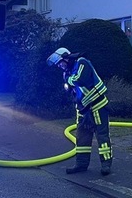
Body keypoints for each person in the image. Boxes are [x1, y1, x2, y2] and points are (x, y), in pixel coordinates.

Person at [47, 47, 113, 175]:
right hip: (83, 109)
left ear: (67, 58)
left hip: (97, 105)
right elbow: (73, 91)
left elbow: (80, 79)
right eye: (58, 65)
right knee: (82, 137)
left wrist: (69, 80)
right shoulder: (67, 72)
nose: (60, 66)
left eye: (61, 62)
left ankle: (106, 165)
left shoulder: (82, 62)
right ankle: (81, 164)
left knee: (102, 136)